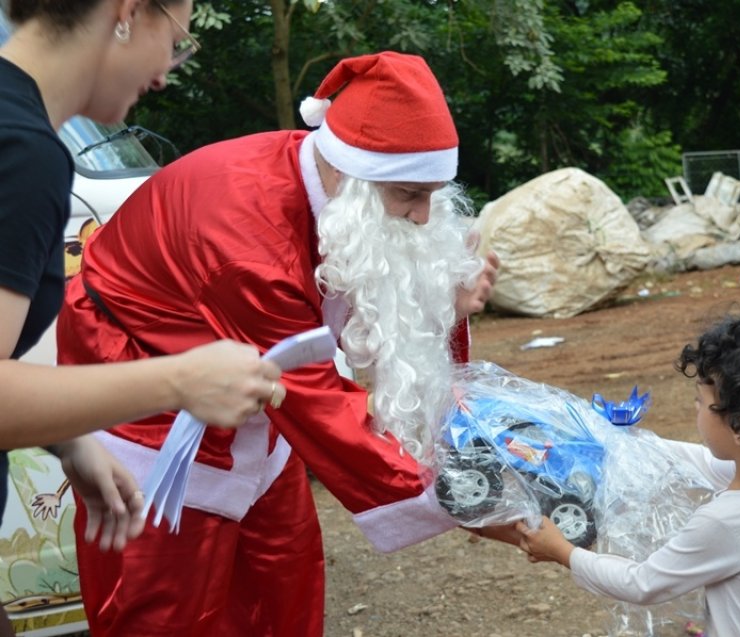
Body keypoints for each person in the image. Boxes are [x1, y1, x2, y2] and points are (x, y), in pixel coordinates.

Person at [56, 50, 500, 636]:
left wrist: (446, 300)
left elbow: (351, 293)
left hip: (249, 385)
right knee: (168, 601)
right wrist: (469, 500)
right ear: (352, 175)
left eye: (430, 196)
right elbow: (315, 398)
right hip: (146, 391)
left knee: (281, 574)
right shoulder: (246, 235)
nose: (422, 219)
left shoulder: (330, 175)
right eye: (410, 196)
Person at [0, 2, 282, 634]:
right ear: (126, 13)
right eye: (176, 40)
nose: (163, 75)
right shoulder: (23, 151)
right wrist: (177, 381)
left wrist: (70, 440)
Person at [516, 314, 740, 636]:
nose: (695, 408)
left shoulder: (729, 520)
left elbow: (642, 583)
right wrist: (617, 443)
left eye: (700, 401)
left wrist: (563, 551)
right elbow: (696, 461)